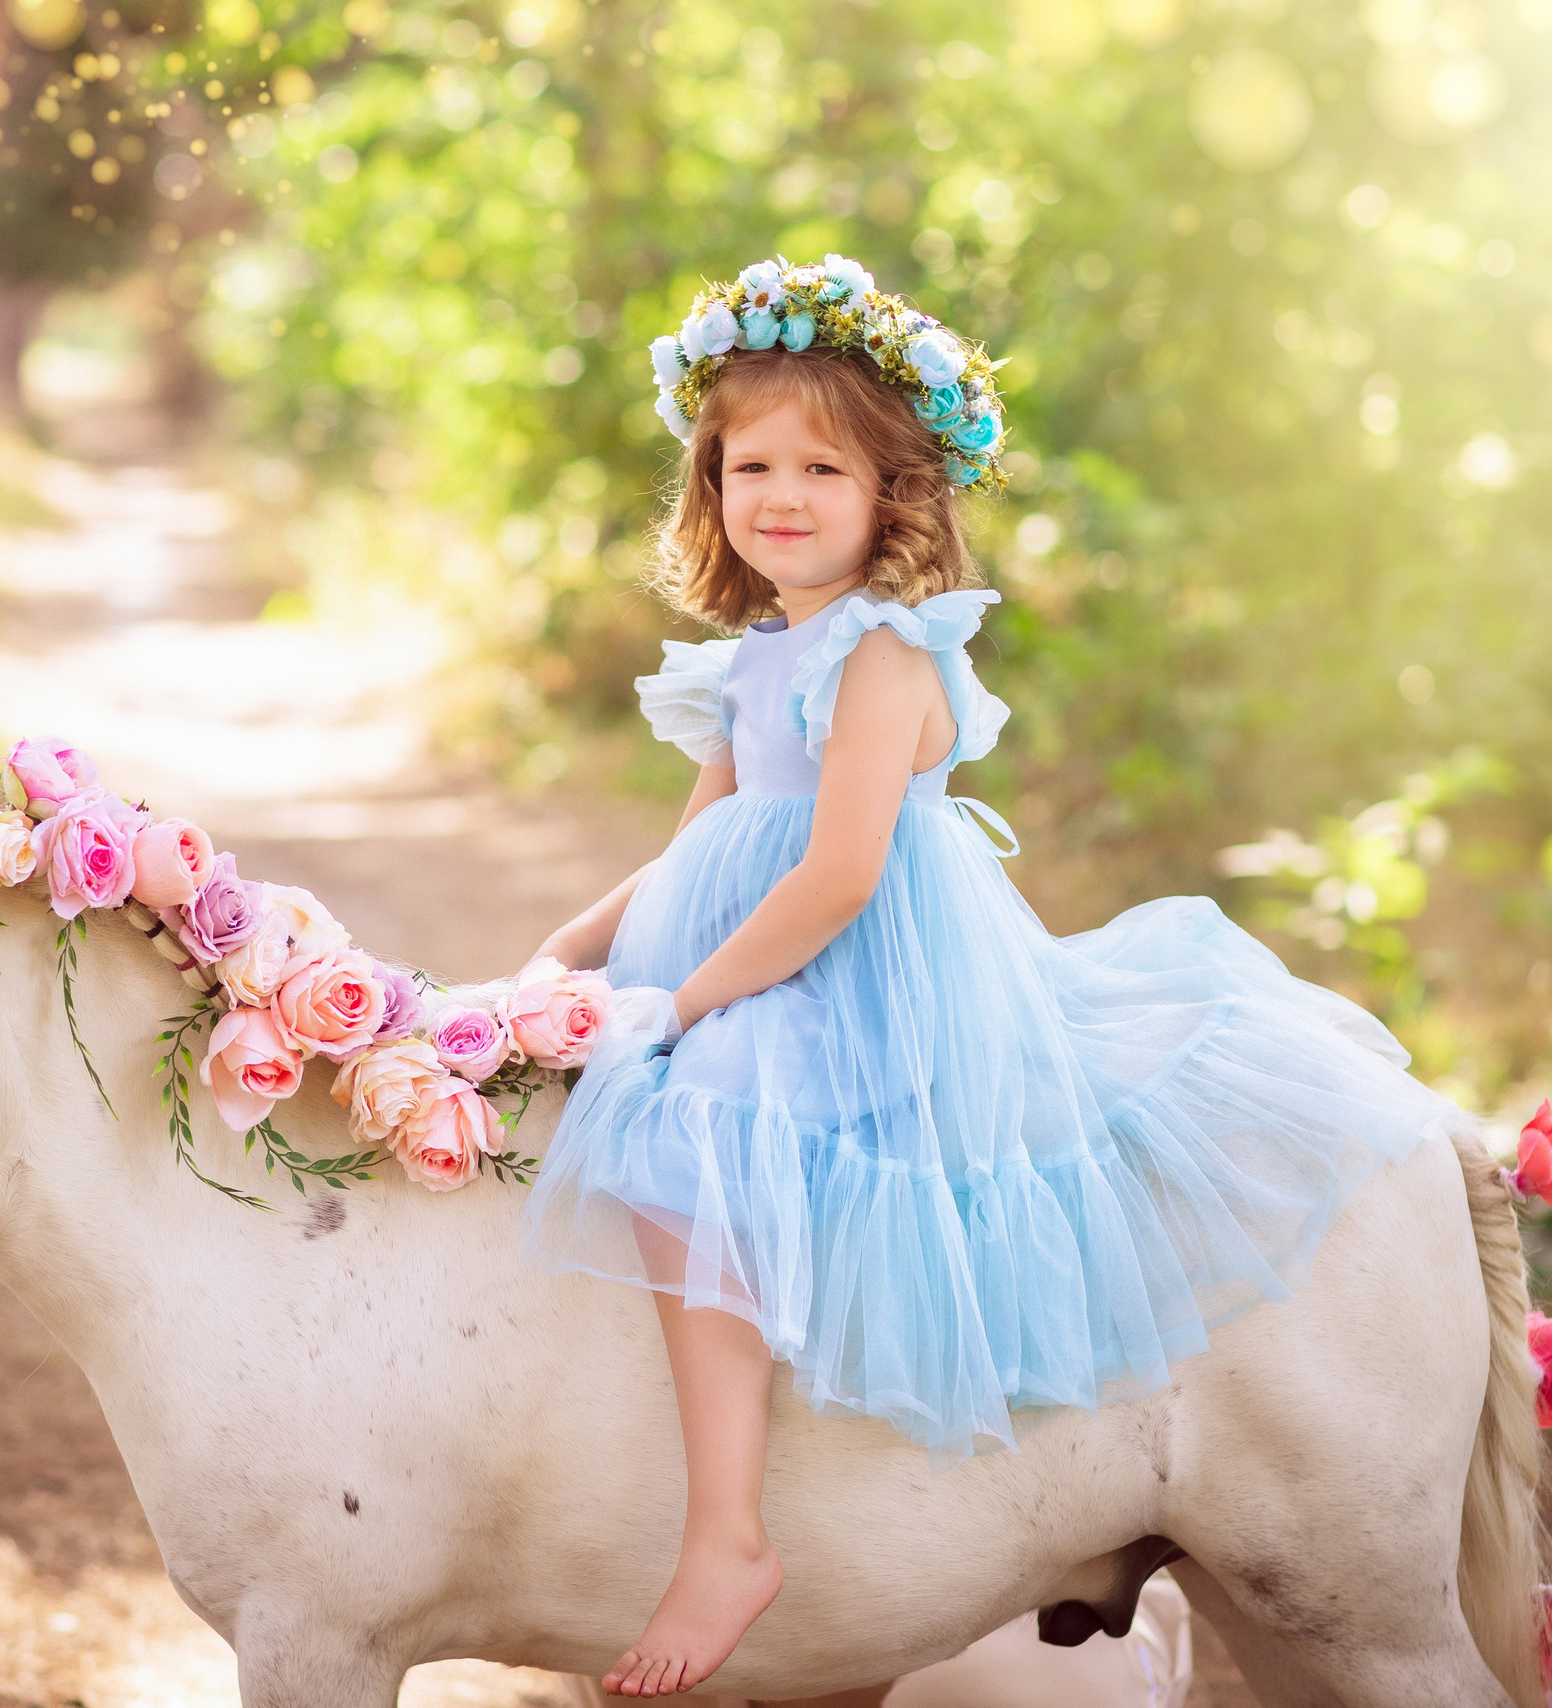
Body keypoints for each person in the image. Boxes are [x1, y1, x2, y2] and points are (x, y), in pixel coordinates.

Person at [520, 255, 1457, 1699]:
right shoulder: (758, 649)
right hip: (738, 942)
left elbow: (836, 876)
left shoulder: (887, 652)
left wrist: (685, 1005)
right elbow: (702, 837)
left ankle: (732, 1536)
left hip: (858, 967)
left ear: (894, 490)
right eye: (745, 464)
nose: (778, 494)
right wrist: (578, 952)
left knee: (695, 1138)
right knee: (590, 1095)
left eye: (820, 466)